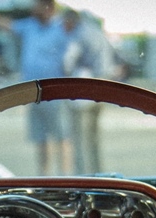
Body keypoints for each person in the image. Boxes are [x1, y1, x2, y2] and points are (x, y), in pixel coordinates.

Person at [0, 0, 72, 175]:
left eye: (37, 5)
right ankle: (44, 178)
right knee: (41, 138)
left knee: (62, 137)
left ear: (49, 7)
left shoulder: (62, 27)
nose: (33, 9)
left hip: (56, 92)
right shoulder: (30, 26)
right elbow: (7, 25)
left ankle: (65, 177)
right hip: (34, 92)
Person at [62, 9, 118, 174]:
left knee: (79, 138)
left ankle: (83, 176)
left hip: (83, 91)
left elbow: (68, 61)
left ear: (71, 20)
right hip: (103, 86)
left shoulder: (78, 35)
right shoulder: (97, 32)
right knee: (94, 138)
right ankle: (98, 174)